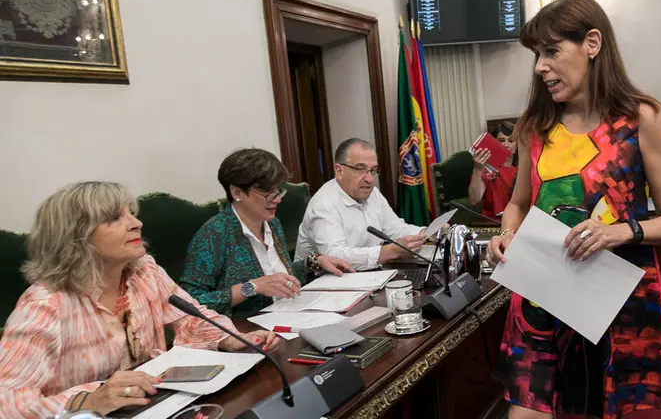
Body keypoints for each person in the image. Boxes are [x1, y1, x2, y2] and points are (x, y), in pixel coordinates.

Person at [485, 0, 661, 419]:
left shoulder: (641, 119)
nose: (540, 66)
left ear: (592, 43)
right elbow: (517, 204)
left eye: (551, 51)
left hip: (609, 300)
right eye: (536, 55)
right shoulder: (534, 128)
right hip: (539, 294)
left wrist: (621, 231)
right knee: (524, 412)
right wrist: (506, 235)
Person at [0, 182, 280, 419]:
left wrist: (229, 338)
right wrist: (86, 400)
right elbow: (7, 401)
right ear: (75, 237)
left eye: (131, 214)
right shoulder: (44, 306)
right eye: (114, 218)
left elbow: (190, 318)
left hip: (156, 406)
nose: (137, 223)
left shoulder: (144, 271)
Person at [181, 148, 353, 319]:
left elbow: (275, 277)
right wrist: (251, 287)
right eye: (267, 194)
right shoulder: (214, 234)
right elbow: (190, 303)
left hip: (288, 316)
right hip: (245, 332)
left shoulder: (272, 223)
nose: (277, 199)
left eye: (277, 191)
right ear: (236, 192)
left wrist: (314, 262)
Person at [294, 138, 426, 271]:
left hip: (366, 275)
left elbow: (394, 228)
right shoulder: (323, 205)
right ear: (339, 171)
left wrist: (426, 233)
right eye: (360, 169)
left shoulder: (372, 193)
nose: (369, 179)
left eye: (373, 170)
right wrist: (390, 251)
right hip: (323, 282)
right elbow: (335, 256)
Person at [468, 121, 519, 218]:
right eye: (501, 140)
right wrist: (477, 170)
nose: (506, 145)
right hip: (493, 222)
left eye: (511, 141)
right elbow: (474, 200)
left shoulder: (522, 170)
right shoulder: (485, 169)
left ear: (517, 146)